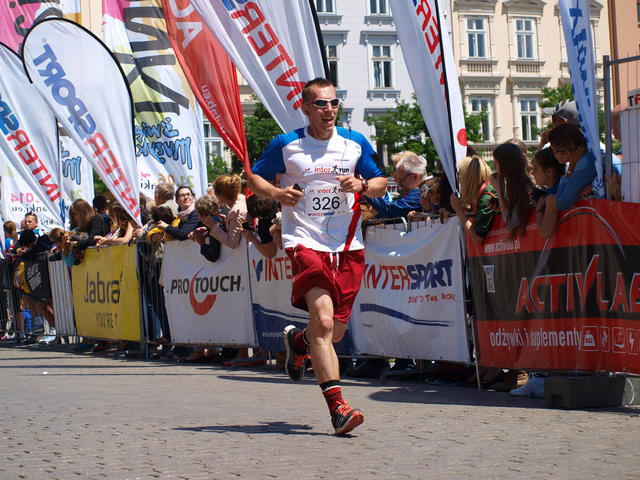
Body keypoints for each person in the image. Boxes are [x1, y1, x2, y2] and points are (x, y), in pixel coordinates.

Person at [247, 77, 387, 435]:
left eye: (333, 103)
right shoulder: (286, 144)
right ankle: (338, 409)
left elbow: (381, 183)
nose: (329, 110)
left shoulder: (354, 142)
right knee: (323, 322)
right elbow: (253, 179)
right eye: (321, 104)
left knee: (334, 333)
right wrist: (278, 193)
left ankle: (298, 342)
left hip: (347, 247)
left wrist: (363, 185)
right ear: (306, 108)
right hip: (304, 241)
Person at [547, 123, 597, 211]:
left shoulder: (583, 167)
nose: (553, 155)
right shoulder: (590, 157)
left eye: (553, 151)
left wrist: (570, 169)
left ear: (567, 153)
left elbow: (561, 204)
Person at [450, 156, 497, 245]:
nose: (458, 179)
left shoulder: (487, 198)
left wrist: (458, 210)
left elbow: (477, 238)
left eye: (459, 174)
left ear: (468, 177)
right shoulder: (483, 194)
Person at [489, 143, 533, 239]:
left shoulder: (525, 187)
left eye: (496, 163)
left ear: (505, 165)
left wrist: (499, 190)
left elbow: (511, 223)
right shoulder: (515, 185)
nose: (495, 167)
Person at [366, 151, 425, 219]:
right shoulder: (414, 192)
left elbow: (388, 209)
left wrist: (364, 186)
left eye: (395, 168)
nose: (393, 173)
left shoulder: (420, 194)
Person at [532, 147, 565, 239]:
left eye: (536, 169)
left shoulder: (554, 194)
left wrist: (539, 208)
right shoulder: (558, 188)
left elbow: (545, 232)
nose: (532, 173)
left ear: (549, 171)